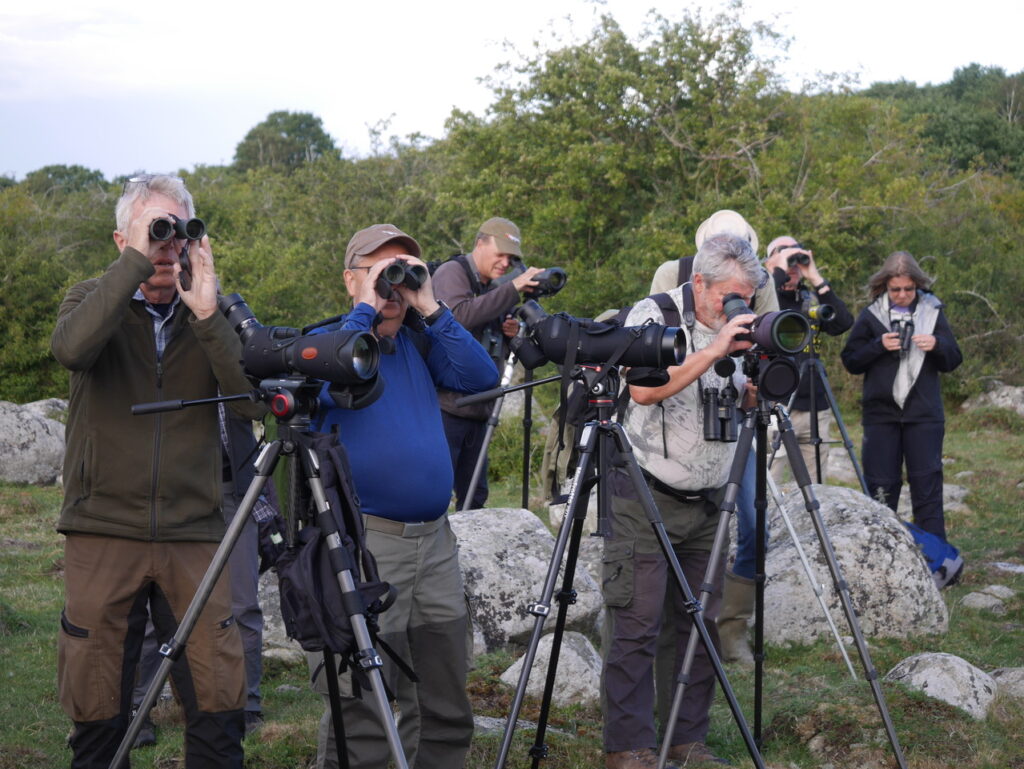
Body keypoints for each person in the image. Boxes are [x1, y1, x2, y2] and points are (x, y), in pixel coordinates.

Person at [51, 173, 264, 769]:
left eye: (177, 233)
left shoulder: (214, 311)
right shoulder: (89, 298)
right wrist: (134, 271)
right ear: (123, 241)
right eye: (155, 232)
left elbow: (250, 400)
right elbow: (71, 349)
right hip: (103, 527)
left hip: (193, 531)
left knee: (219, 701)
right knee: (97, 706)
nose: (169, 247)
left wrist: (207, 317)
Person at [307, 223, 498, 768]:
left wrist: (432, 307)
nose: (395, 288)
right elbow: (327, 380)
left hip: (434, 544)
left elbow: (480, 377)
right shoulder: (326, 342)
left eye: (406, 273)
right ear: (351, 281)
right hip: (368, 545)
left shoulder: (418, 341)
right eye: (381, 274)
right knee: (364, 708)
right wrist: (363, 314)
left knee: (443, 701)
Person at [603, 233, 761, 769]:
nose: (737, 307)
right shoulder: (656, 313)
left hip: (713, 498)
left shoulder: (741, 327)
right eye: (729, 296)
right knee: (637, 622)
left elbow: (737, 398)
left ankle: (684, 741)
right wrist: (715, 348)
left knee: (700, 625)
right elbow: (644, 390)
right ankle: (629, 749)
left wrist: (756, 387)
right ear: (700, 283)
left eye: (747, 296)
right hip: (645, 493)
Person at [648, 210, 777, 672]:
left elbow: (767, 339)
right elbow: (653, 362)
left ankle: (731, 631)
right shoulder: (671, 278)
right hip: (674, 433)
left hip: (730, 424)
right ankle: (664, 650)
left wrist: (759, 384)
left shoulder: (758, 282)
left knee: (755, 522)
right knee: (660, 573)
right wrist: (716, 345)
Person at [131, 409, 285, 747]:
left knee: (244, 604)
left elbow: (257, 408)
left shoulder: (235, 357)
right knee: (155, 605)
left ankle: (247, 705)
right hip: (171, 493)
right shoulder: (159, 358)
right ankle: (138, 707)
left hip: (233, 489)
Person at [841, 250, 962, 542]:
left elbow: (954, 359)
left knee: (927, 487)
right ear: (884, 286)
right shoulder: (872, 316)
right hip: (881, 416)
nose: (903, 294)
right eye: (896, 289)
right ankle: (881, 551)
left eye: (909, 289)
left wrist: (937, 344)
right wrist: (878, 345)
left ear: (917, 286)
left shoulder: (933, 312)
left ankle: (937, 561)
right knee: (881, 488)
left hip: (924, 416)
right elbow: (851, 361)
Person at [432, 216, 548, 509]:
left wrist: (509, 334)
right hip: (446, 407)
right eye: (501, 254)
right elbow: (457, 317)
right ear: (480, 244)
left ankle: (472, 553)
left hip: (480, 407)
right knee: (436, 492)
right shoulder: (452, 272)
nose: (506, 264)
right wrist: (512, 289)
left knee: (476, 495)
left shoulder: (494, 288)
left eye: (511, 259)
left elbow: (489, 343)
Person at [763, 236, 853, 485]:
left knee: (816, 487)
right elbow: (758, 313)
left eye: (796, 258)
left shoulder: (810, 300)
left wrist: (814, 277)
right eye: (785, 257)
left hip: (814, 406)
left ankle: (815, 525)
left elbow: (842, 323)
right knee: (770, 487)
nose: (792, 266)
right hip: (774, 406)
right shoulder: (763, 297)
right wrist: (775, 272)